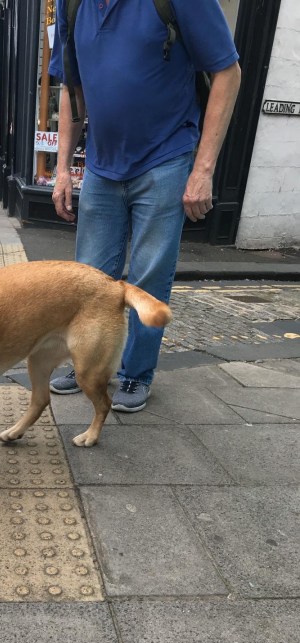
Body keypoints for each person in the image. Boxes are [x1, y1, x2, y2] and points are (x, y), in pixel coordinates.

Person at [48, 0, 241, 412]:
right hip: (101, 164)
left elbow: (228, 71)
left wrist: (202, 169)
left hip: (166, 157)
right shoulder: (71, 6)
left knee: (150, 275)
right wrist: (62, 169)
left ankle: (136, 373)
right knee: (88, 278)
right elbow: (72, 89)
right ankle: (89, 363)